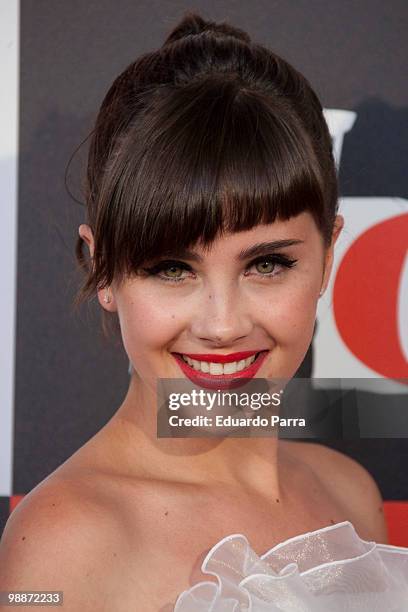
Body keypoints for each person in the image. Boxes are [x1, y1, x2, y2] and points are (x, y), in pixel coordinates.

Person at [1, 11, 407, 612]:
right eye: (172, 269)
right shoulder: (64, 545)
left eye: (267, 264)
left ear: (326, 259)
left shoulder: (350, 496)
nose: (223, 325)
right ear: (102, 269)